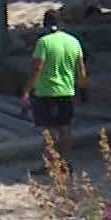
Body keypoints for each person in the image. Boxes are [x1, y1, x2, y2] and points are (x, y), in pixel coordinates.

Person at [23, 11, 87, 170]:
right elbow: (81, 69)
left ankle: (50, 164)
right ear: (62, 24)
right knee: (65, 127)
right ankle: (66, 162)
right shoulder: (73, 41)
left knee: (48, 130)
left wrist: (27, 89)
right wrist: (83, 89)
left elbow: (37, 68)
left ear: (45, 24)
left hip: (45, 91)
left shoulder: (43, 42)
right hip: (67, 91)